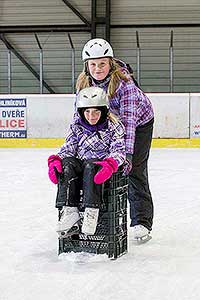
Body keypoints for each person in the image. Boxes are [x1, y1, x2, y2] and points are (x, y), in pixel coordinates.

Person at [75, 38, 154, 241]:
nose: (97, 68)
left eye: (102, 63)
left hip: (139, 123)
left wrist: (126, 156)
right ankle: (98, 217)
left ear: (110, 63)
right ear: (87, 66)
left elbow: (128, 123)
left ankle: (141, 221)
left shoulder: (125, 84)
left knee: (134, 169)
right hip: (107, 124)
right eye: (93, 64)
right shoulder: (84, 83)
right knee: (99, 165)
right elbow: (80, 117)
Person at [48, 86, 126, 236]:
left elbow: (119, 150)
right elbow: (68, 148)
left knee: (91, 165)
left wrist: (110, 164)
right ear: (81, 113)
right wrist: (55, 161)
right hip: (81, 167)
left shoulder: (114, 126)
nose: (91, 116)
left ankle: (91, 212)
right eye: (87, 112)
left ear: (104, 111)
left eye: (96, 111)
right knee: (68, 163)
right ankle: (70, 211)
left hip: (99, 170)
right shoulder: (77, 126)